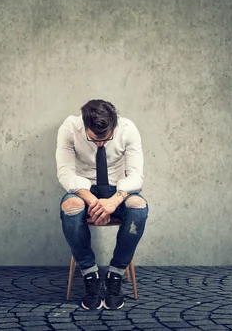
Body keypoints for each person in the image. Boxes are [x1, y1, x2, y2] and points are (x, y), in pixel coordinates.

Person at [57, 99, 148, 310]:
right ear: (84, 124)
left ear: (114, 125)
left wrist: (114, 201)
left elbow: (136, 176)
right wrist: (95, 202)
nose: (100, 144)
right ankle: (90, 275)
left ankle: (116, 275)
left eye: (105, 139)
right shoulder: (70, 128)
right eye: (93, 138)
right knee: (70, 207)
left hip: (119, 191)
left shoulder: (127, 129)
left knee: (138, 207)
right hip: (83, 190)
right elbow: (66, 173)